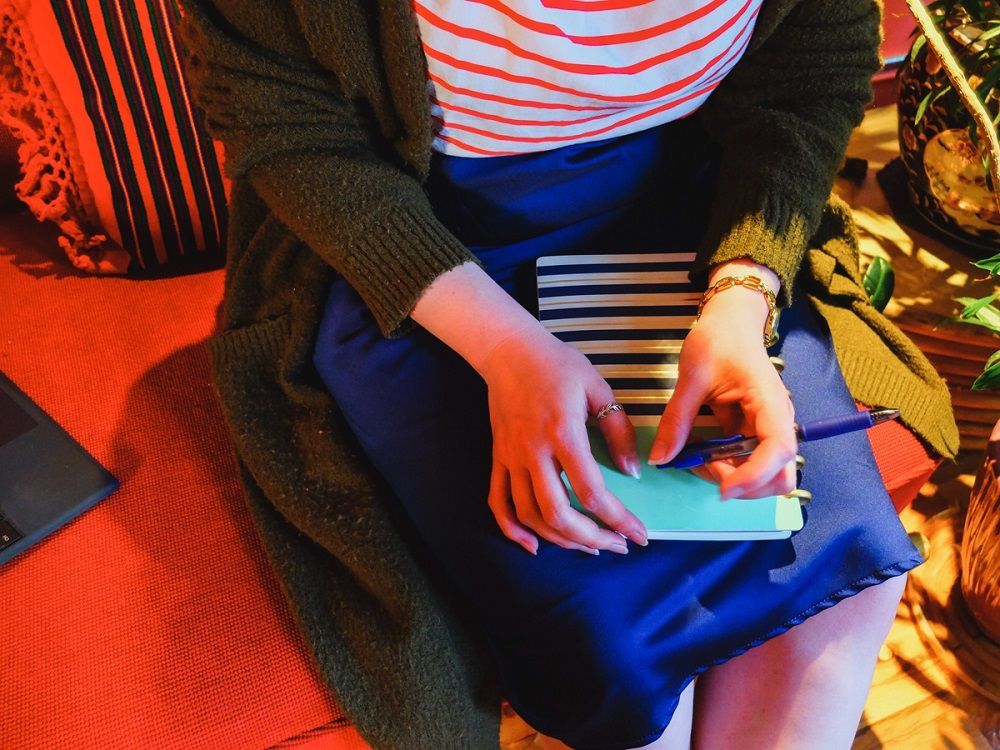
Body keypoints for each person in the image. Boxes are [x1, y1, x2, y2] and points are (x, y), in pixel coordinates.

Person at [178, 1, 959, 748]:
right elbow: (282, 120)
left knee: (845, 572)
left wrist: (743, 293)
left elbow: (806, 78)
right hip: (416, 248)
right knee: (611, 623)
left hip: (695, 214)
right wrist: (506, 351)